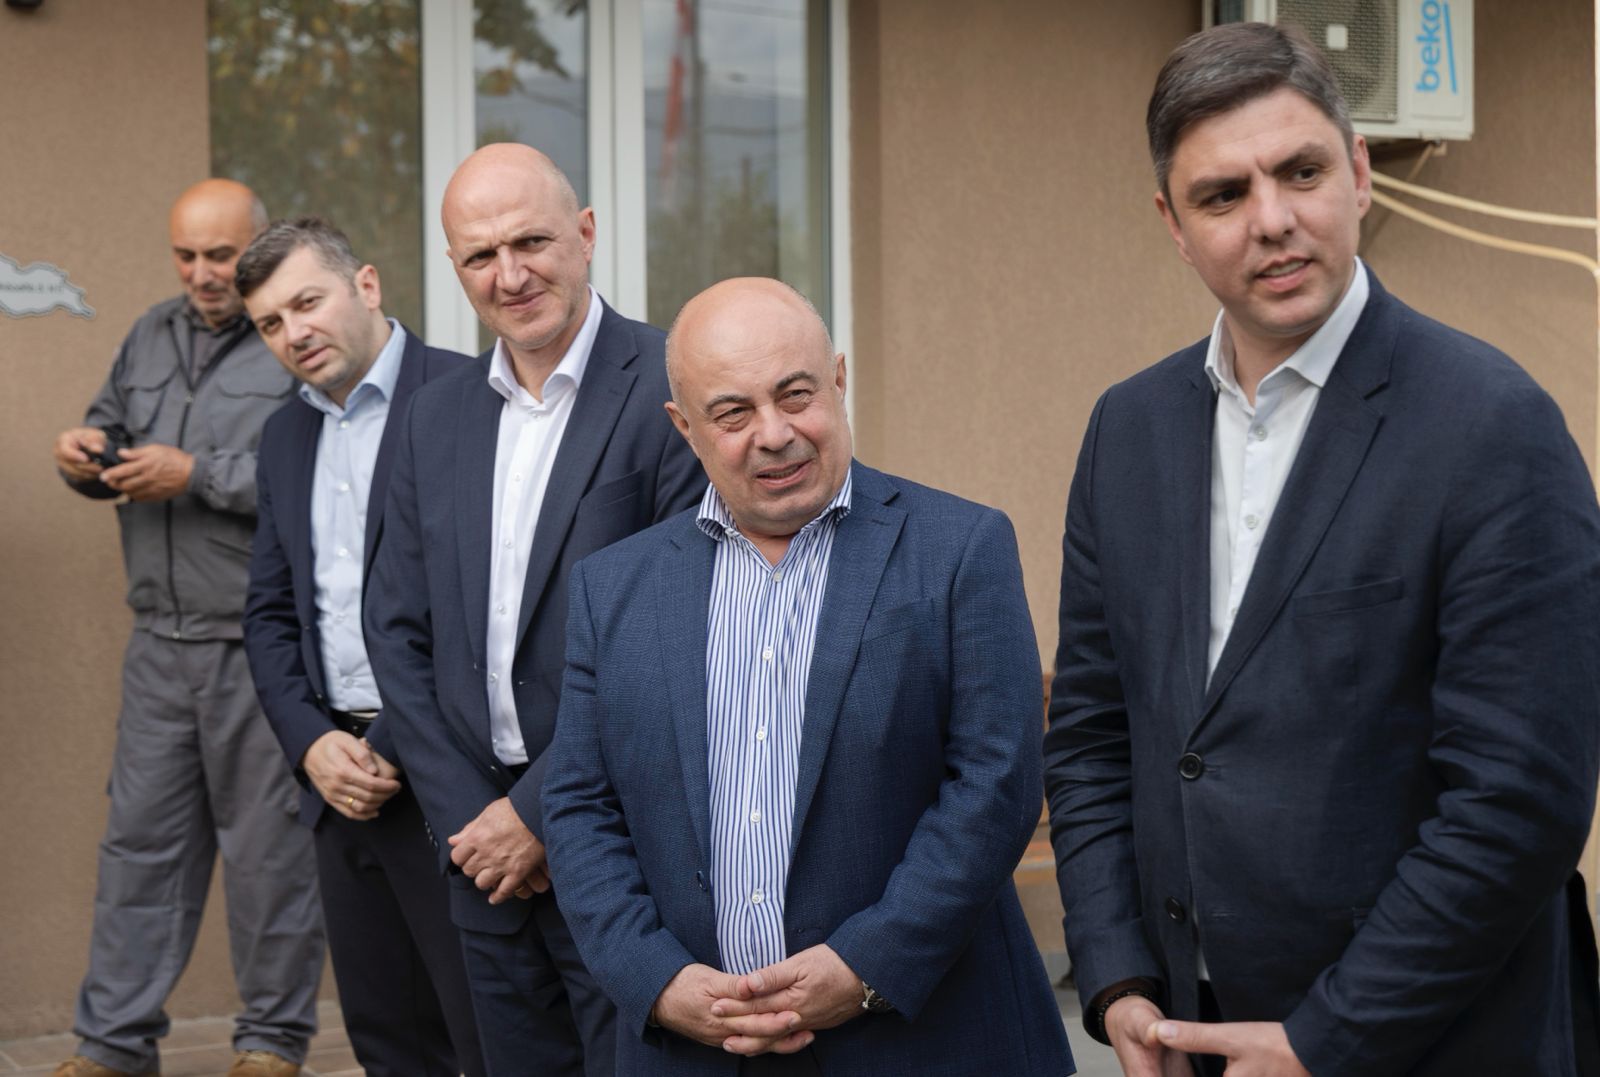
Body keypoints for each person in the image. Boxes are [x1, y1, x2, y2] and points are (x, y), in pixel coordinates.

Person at [1045, 22, 1600, 1077]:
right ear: (1173, 225)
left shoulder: (1492, 426)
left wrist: (1325, 1039)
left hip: (1426, 1041)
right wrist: (1117, 977)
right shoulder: (1127, 431)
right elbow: (1091, 738)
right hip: (1188, 1032)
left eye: (1300, 172)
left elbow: (1518, 799)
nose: (1272, 220)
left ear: (1358, 172)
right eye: (1222, 195)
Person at [540, 276, 1076, 1075]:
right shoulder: (612, 588)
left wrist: (866, 966)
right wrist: (656, 980)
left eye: (796, 395)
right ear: (684, 427)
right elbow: (580, 808)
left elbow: (995, 786)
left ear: (839, 379)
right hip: (694, 1053)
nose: (775, 433)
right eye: (733, 413)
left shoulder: (960, 549)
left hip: (926, 1043)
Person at [363, 143, 706, 1076]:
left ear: (586, 233)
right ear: (455, 268)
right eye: (481, 255)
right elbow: (394, 632)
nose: (509, 275)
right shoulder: (432, 417)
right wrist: (475, 820)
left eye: (531, 242)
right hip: (481, 859)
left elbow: (676, 636)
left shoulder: (673, 386)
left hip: (628, 848)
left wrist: (539, 813)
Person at [49, 180, 324, 1077]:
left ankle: (271, 1044)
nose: (203, 273)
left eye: (221, 255)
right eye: (186, 254)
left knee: (269, 857)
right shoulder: (147, 334)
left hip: (257, 647)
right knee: (138, 851)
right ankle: (112, 1046)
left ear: (258, 245)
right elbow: (110, 429)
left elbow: (317, 477)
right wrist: (84, 456)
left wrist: (196, 474)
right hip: (158, 645)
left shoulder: (293, 338)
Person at [236, 217, 486, 1077]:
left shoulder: (469, 397)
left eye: (307, 301)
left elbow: (480, 606)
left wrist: (384, 741)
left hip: (450, 773)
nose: (294, 331)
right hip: (337, 783)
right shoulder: (284, 435)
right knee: (385, 1037)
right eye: (271, 322)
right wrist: (311, 744)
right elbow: (270, 612)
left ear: (367, 285)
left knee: (486, 1033)